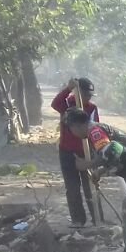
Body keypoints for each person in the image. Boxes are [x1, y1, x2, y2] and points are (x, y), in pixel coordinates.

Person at [65, 110, 126, 252]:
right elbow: (113, 155)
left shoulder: (95, 131)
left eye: (71, 129)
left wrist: (87, 165)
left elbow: (106, 154)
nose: (72, 133)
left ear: (76, 126)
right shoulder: (96, 130)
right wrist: (100, 171)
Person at [50, 77, 100, 227]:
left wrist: (94, 156)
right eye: (85, 95)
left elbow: (96, 129)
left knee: (90, 187)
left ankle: (98, 218)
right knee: (72, 188)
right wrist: (68, 88)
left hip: (86, 153)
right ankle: (78, 220)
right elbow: (55, 104)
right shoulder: (67, 105)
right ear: (78, 93)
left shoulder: (91, 108)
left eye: (89, 96)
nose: (87, 98)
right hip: (67, 152)